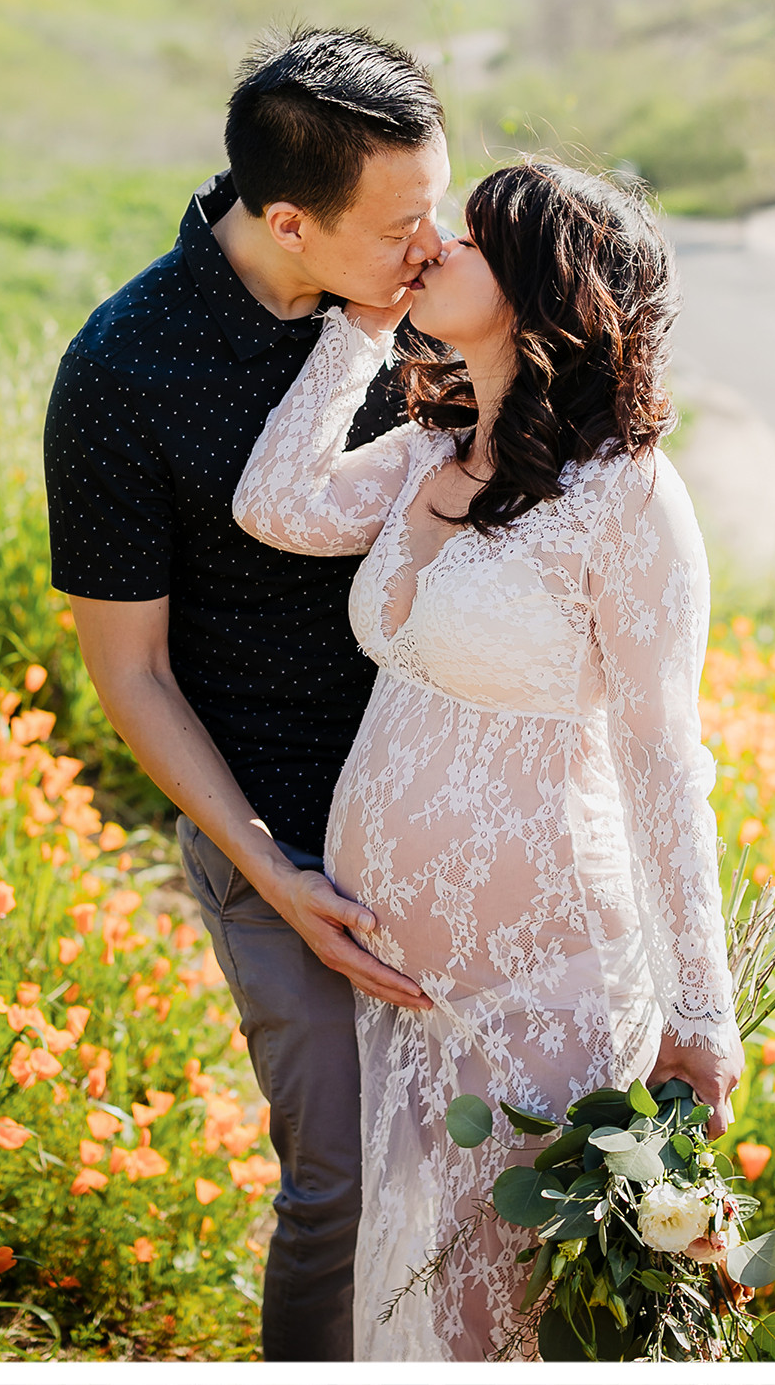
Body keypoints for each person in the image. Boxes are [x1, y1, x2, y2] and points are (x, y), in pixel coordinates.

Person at [231, 159, 745, 1362]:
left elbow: (667, 764)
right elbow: (278, 502)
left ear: (534, 285)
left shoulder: (628, 495)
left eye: (463, 239)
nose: (429, 252)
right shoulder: (433, 442)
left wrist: (701, 1013)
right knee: (409, 1289)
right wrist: (359, 329)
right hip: (402, 982)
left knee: (497, 1311)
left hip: (544, 981)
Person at [42, 26, 449, 1362]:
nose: (430, 247)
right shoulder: (121, 377)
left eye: (437, 206)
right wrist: (273, 873)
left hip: (453, 806)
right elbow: (133, 675)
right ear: (288, 220)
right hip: (274, 824)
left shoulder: (423, 309)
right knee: (338, 1176)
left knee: (475, 1171)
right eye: (400, 226)